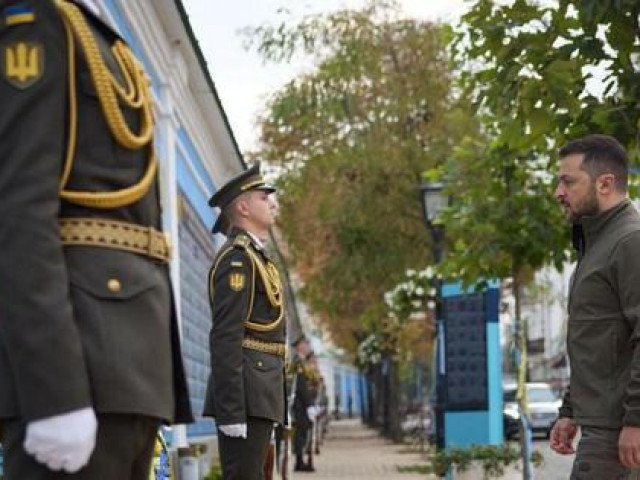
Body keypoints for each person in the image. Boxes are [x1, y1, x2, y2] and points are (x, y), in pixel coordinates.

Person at [0, 1, 193, 478]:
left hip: (129, 368)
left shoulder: (95, 31)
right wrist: (55, 393)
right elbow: (19, 209)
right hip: (79, 366)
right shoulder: (37, 20)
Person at [551, 134, 640, 478]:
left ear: (605, 183)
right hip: (603, 431)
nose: (559, 192)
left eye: (568, 181)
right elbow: (599, 343)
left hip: (618, 437)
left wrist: (635, 421)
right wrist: (570, 409)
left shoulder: (629, 241)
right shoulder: (598, 245)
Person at [203, 163, 286, 480]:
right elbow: (225, 336)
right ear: (243, 206)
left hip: (261, 394)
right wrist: (231, 411)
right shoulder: (237, 258)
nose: (271, 203)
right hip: (247, 398)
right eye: (264, 197)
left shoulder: (255, 256)